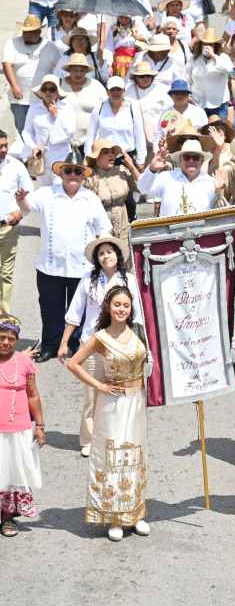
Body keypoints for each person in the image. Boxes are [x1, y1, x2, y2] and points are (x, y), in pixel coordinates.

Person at [66, 286, 149, 541]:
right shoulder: (100, 337)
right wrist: (99, 385)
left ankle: (135, 514)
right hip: (112, 404)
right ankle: (113, 515)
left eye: (126, 305)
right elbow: (73, 363)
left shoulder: (138, 332)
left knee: (135, 454)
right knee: (115, 455)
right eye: (117, 305)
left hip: (136, 402)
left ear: (131, 307)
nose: (121, 309)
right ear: (108, 308)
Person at [16, 150, 111, 363]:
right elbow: (26, 209)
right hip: (50, 266)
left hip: (82, 267)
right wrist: (21, 200)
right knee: (50, 309)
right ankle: (50, 346)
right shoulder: (46, 193)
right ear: (61, 173)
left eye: (77, 171)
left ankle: (77, 346)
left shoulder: (91, 199)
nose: (72, 175)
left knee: (80, 310)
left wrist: (104, 253)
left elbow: (104, 228)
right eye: (68, 171)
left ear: (83, 175)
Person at [59, 233, 141, 457]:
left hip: (121, 344)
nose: (106, 256)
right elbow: (74, 313)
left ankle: (116, 435)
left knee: (120, 391)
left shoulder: (129, 280)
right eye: (102, 253)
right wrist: (65, 342)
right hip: (92, 343)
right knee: (92, 392)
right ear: (97, 258)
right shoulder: (88, 279)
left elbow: (138, 315)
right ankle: (88, 438)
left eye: (110, 252)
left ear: (118, 255)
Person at [0, 314, 44, 538]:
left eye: (11, 338)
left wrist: (40, 426)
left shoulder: (24, 362)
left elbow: (33, 395)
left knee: (12, 472)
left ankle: (8, 517)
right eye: (2, 338)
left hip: (19, 427)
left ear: (16, 340)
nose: (6, 342)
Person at [139, 139, 225, 217]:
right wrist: (152, 169)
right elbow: (142, 189)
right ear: (180, 160)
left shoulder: (210, 182)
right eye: (187, 157)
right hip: (170, 233)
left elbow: (220, 216)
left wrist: (218, 193)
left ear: (202, 161)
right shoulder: (166, 177)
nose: (191, 161)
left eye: (195, 157)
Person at [0, 130, 30, 313]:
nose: (4, 150)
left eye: (5, 145)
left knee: (5, 274)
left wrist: (21, 212)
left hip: (8, 228)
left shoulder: (17, 166)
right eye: (0, 147)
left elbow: (28, 194)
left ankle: (3, 318)